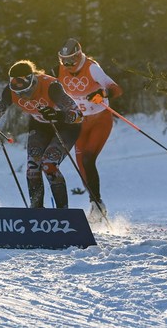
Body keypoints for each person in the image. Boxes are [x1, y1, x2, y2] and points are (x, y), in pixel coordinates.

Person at [0, 60, 83, 209]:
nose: (24, 96)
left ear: (33, 81)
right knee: (33, 168)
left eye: (27, 91)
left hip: (66, 127)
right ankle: (36, 209)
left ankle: (63, 211)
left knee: (49, 165)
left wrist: (58, 115)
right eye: (19, 93)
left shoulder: (52, 87)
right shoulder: (10, 90)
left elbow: (79, 115)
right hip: (40, 126)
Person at [52, 38, 123, 222]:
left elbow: (116, 89)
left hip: (100, 120)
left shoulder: (92, 68)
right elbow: (47, 88)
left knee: (88, 158)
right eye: (64, 61)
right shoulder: (58, 70)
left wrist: (102, 93)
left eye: (71, 60)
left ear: (79, 56)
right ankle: (95, 204)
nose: (68, 65)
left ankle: (98, 204)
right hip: (79, 122)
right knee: (81, 165)